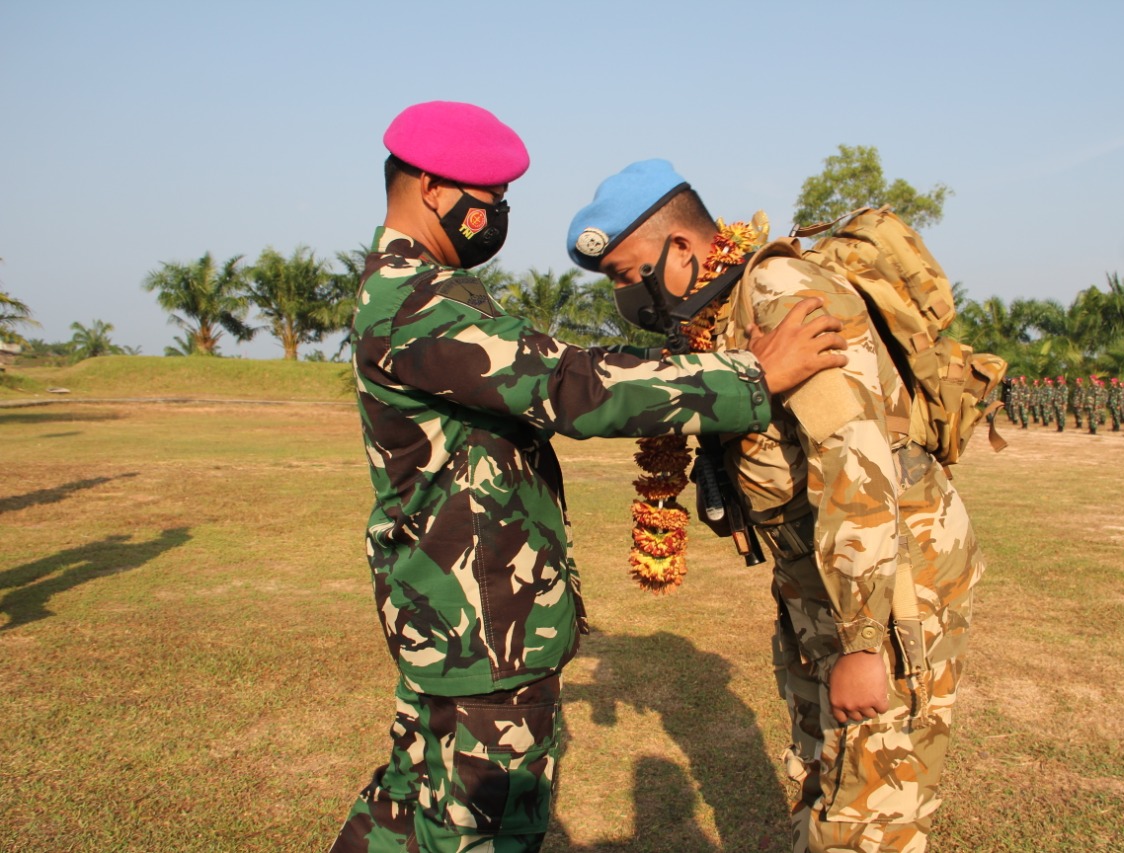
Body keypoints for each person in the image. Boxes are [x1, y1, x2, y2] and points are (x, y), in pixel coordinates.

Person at [330, 106, 849, 853]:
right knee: (484, 828)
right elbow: (567, 383)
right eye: (490, 197)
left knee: (405, 808)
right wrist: (750, 379)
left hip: (449, 615)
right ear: (432, 188)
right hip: (481, 630)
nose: (499, 214)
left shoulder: (414, 289)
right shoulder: (417, 303)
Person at [566, 159, 985, 853]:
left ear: (681, 248)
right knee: (825, 762)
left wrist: (860, 642)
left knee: (870, 804)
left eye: (622, 272)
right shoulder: (718, 317)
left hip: (885, 577)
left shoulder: (777, 291)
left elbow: (856, 465)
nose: (621, 295)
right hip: (816, 574)